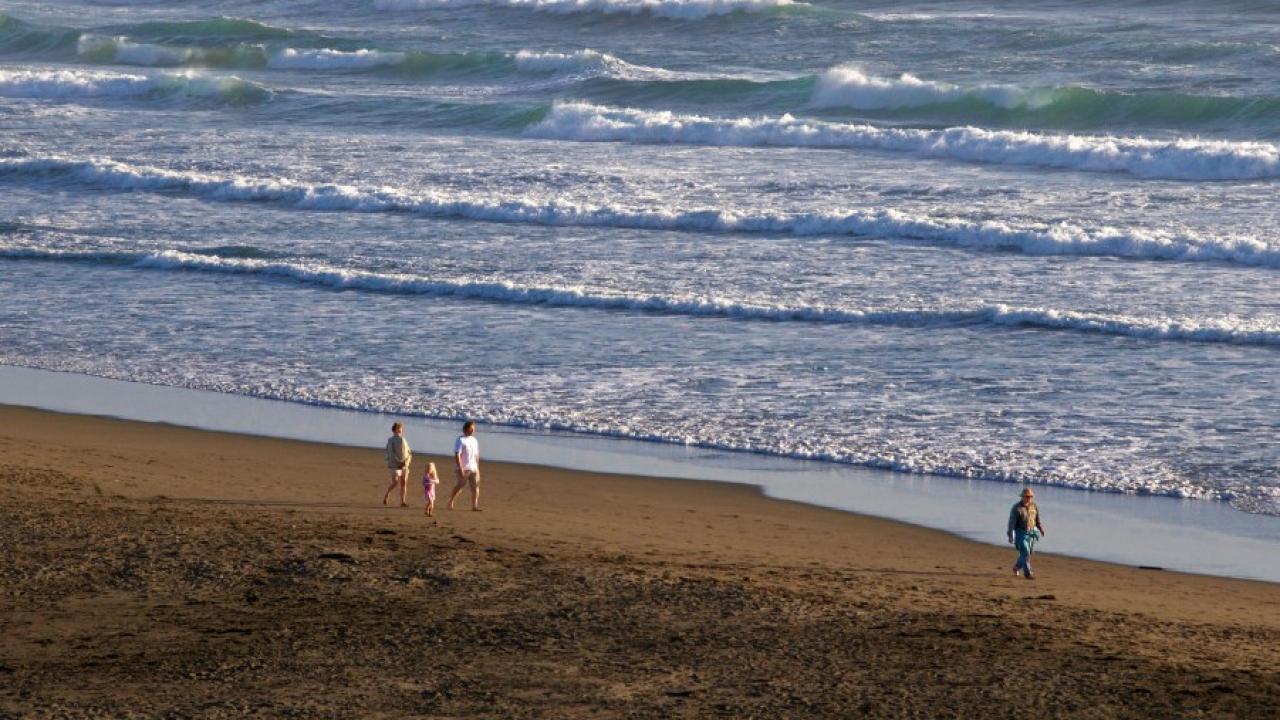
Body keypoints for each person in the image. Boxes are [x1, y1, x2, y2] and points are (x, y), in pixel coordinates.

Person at [1007, 487, 1045, 579]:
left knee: (1028, 553)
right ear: (1022, 497)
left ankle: (1016, 567)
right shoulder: (1017, 508)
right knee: (1026, 552)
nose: (1029, 498)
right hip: (1021, 532)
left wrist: (1041, 528)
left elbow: (1037, 519)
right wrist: (1010, 535)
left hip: (1032, 532)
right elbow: (1011, 523)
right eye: (1027, 496)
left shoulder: (1034, 506)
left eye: (1031, 496)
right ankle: (1028, 573)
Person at [448, 420, 481, 511]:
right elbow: (457, 454)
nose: (473, 431)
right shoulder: (460, 439)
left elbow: (476, 455)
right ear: (466, 429)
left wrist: (477, 467)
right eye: (471, 429)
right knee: (460, 487)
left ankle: (475, 506)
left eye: (474, 429)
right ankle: (451, 501)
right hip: (464, 467)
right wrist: (461, 468)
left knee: (475, 487)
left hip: (473, 468)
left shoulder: (474, 440)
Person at [382, 422, 412, 507]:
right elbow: (391, 453)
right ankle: (387, 493)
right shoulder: (390, 440)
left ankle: (403, 501)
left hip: (404, 464)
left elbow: (409, 452)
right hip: (394, 464)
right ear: (394, 430)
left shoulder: (404, 439)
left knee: (404, 482)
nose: (400, 430)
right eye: (398, 428)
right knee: (395, 482)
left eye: (401, 428)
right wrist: (398, 462)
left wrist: (407, 462)